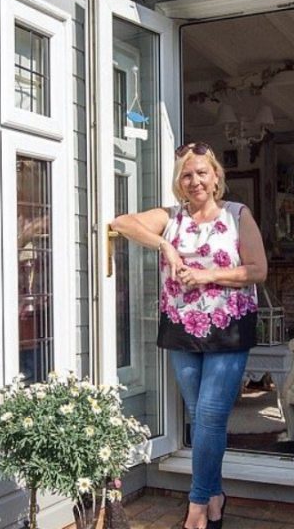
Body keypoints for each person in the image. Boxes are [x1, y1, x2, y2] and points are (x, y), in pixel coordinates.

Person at [110, 142, 268, 529]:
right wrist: (164, 243)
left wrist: (206, 275)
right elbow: (121, 222)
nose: (195, 180)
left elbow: (257, 270)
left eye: (201, 172)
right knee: (199, 416)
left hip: (229, 326)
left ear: (216, 177)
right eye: (186, 174)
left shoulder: (236, 216)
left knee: (212, 414)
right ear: (179, 183)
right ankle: (215, 495)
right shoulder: (171, 217)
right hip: (182, 326)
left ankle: (197, 506)